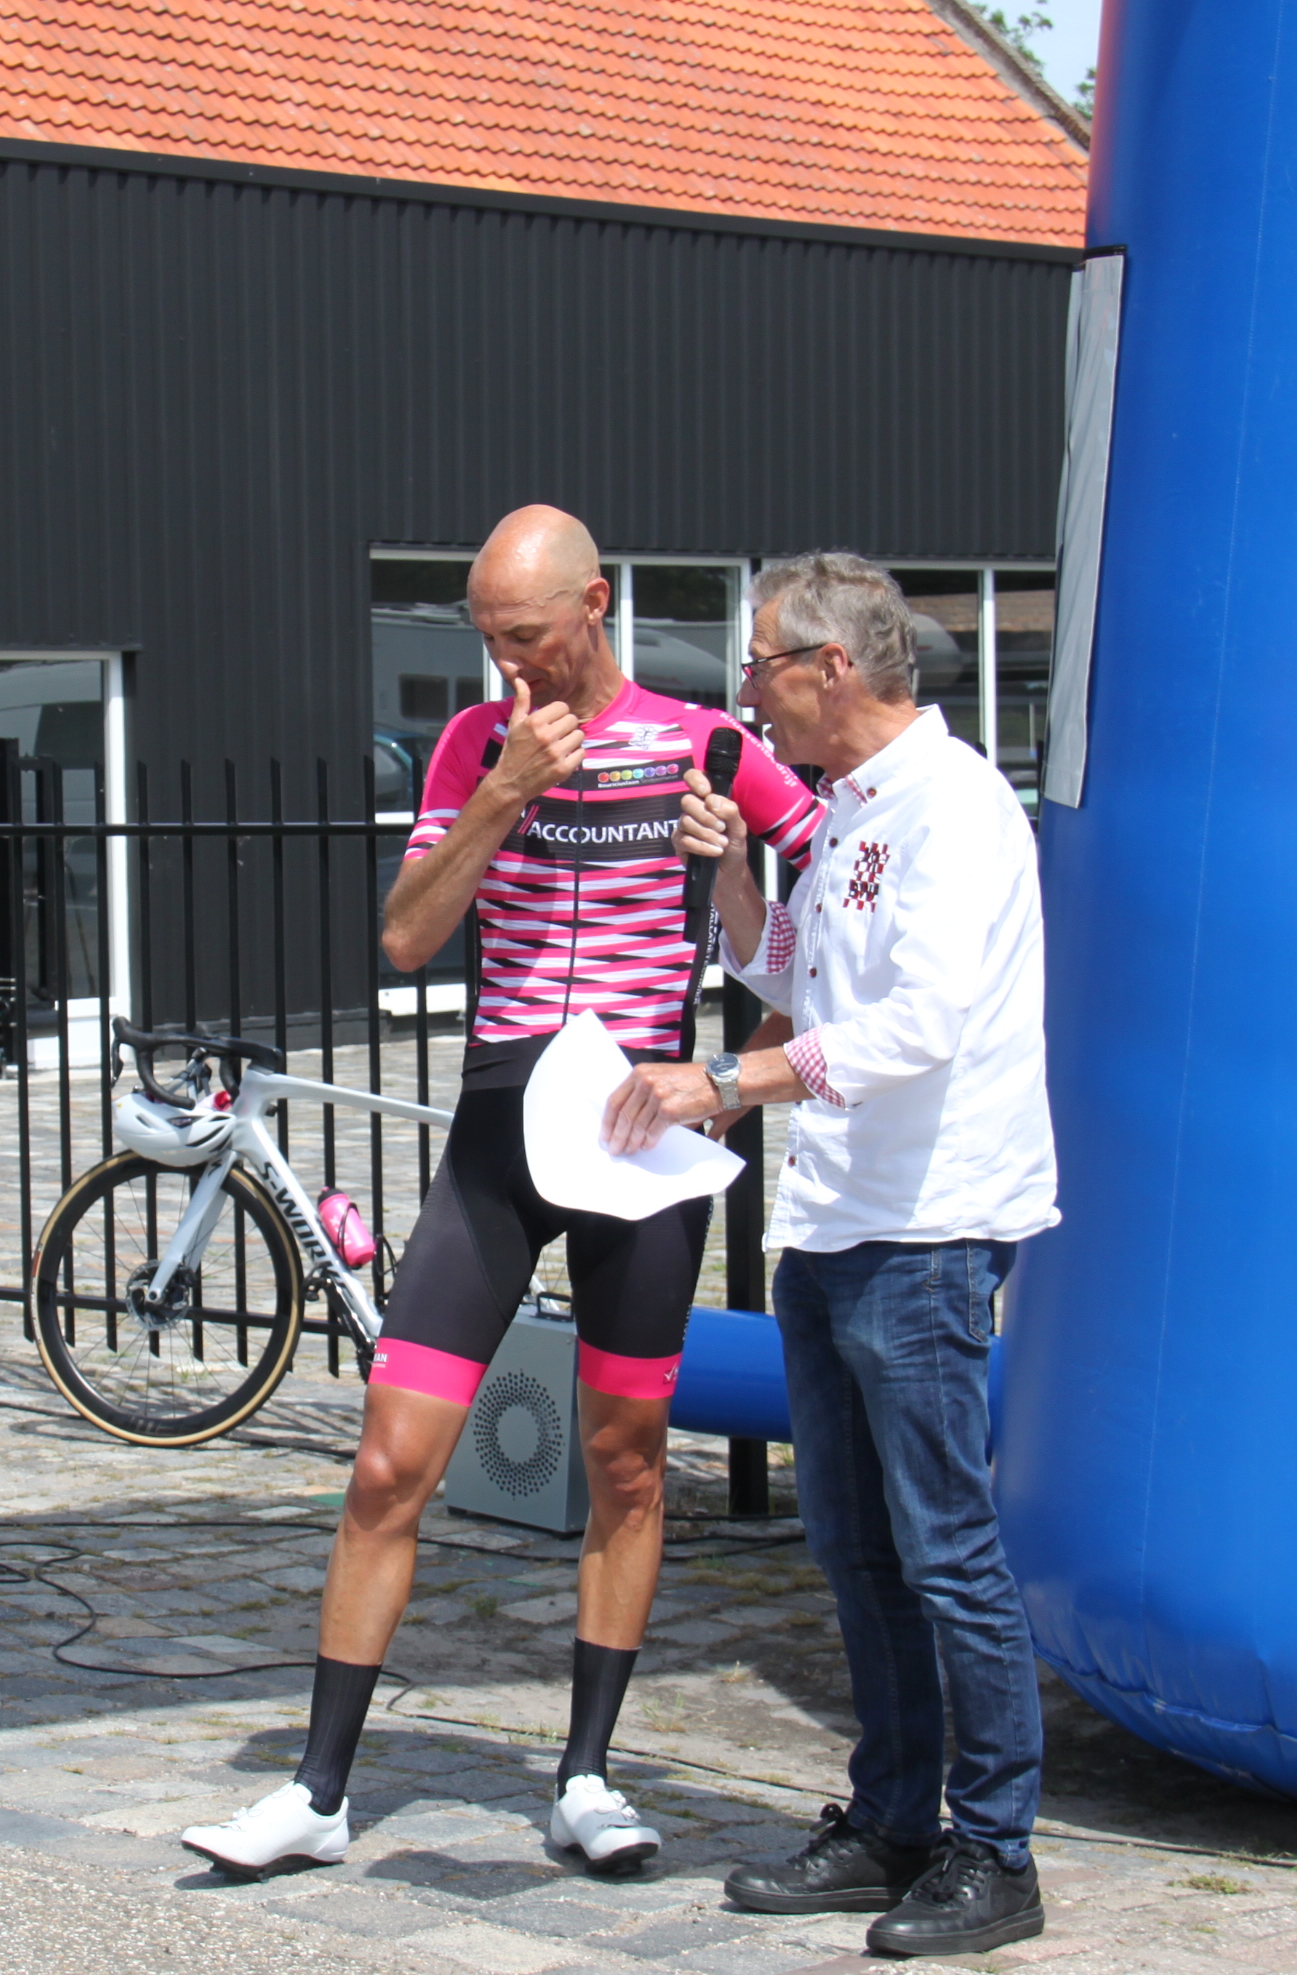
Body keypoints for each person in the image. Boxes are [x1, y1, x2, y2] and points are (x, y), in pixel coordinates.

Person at [182, 505, 822, 1880]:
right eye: (485, 641)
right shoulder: (477, 744)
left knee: (625, 1463)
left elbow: (837, 913)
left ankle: (586, 1775)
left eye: (525, 637)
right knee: (387, 1463)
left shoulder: (711, 742)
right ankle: (317, 1790)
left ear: (594, 605)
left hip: (641, 1133)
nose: (506, 669)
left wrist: (742, 972)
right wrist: (499, 795)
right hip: (498, 1124)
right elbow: (408, 936)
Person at [601, 550, 1059, 1958]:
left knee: (946, 1552)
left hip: (927, 1229)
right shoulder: (846, 814)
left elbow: (917, 1027)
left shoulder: (954, 809)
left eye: (761, 664)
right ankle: (893, 1818)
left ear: (833, 670)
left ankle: (996, 1852)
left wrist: (728, 1087)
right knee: (855, 1549)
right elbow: (794, 976)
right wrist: (736, 881)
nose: (745, 692)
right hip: (836, 1221)